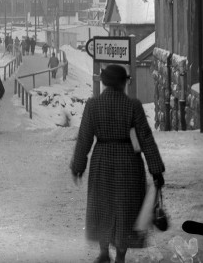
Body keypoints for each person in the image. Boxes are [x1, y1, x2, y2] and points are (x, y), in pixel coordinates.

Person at [70, 64, 165, 263]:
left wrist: (78, 166)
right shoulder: (133, 105)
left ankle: (104, 252)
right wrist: (156, 169)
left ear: (104, 82)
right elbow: (146, 138)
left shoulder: (93, 105)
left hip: (102, 158)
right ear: (123, 83)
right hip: (128, 161)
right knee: (125, 209)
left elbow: (84, 138)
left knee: (102, 206)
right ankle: (120, 256)